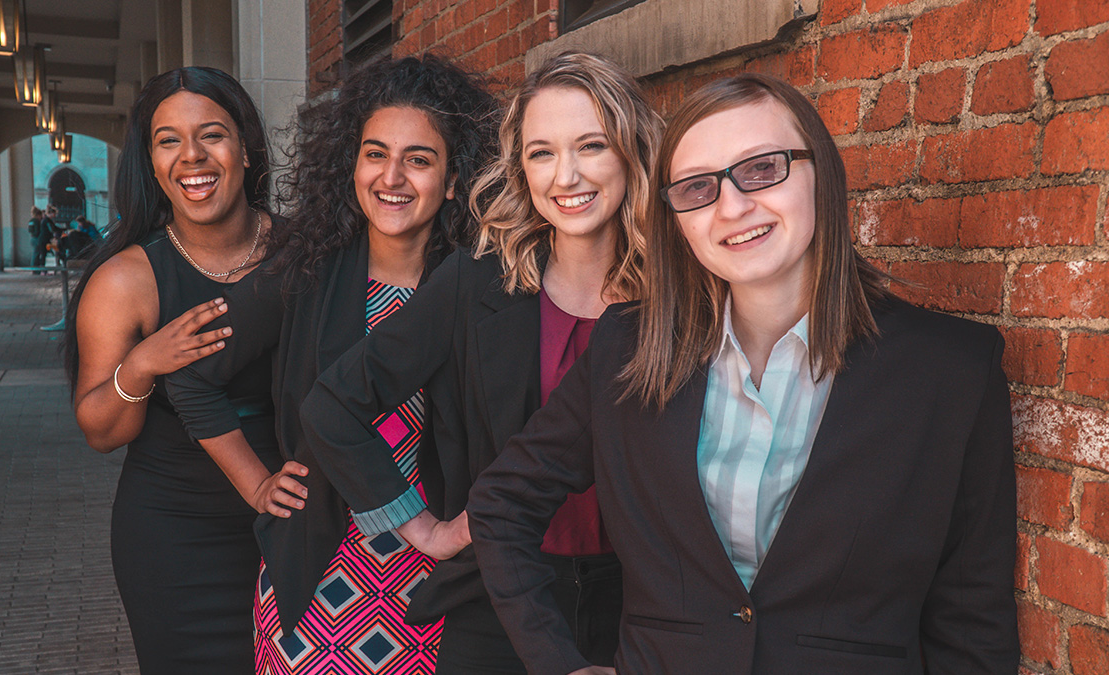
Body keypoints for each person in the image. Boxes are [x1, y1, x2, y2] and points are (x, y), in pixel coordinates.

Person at [467, 73, 1019, 674]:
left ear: (821, 174)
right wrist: (558, 663)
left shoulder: (951, 369)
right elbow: (502, 502)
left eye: (762, 169)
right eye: (698, 187)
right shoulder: (628, 345)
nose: (731, 206)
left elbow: (972, 617)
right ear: (677, 216)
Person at [298, 52, 661, 673]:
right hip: (500, 601)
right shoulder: (476, 283)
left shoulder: (680, 293)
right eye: (541, 152)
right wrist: (425, 528)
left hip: (642, 604)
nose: (565, 176)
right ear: (520, 168)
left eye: (591, 146)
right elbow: (333, 406)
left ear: (632, 152)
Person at [165, 55, 499, 674]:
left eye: (419, 159)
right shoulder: (305, 272)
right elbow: (190, 376)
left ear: (455, 179)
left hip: (443, 569)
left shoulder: (484, 286)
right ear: (352, 164)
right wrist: (257, 484)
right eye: (375, 154)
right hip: (322, 569)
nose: (391, 176)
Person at [63, 66, 283, 673]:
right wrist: (140, 366)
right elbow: (101, 433)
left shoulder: (306, 251)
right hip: (173, 535)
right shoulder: (125, 280)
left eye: (212, 134)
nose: (192, 156)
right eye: (168, 141)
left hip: (295, 519)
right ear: (152, 162)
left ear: (245, 147)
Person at [27, 206, 51, 273]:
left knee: (35, 254)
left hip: (32, 238)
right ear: (38, 215)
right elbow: (38, 231)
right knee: (37, 254)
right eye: (40, 216)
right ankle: (36, 270)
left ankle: (34, 269)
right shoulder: (37, 221)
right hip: (37, 239)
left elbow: (30, 230)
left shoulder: (31, 221)